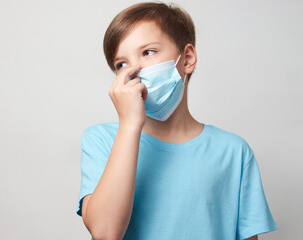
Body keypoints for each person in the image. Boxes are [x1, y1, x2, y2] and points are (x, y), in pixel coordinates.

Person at [76, 2, 278, 240]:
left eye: (148, 52)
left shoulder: (234, 151)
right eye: (122, 64)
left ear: (187, 58)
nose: (135, 69)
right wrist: (130, 124)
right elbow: (105, 233)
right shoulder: (101, 140)